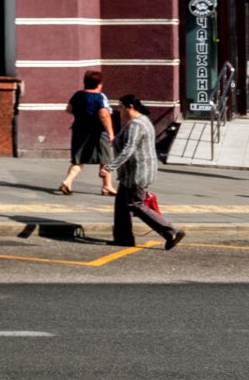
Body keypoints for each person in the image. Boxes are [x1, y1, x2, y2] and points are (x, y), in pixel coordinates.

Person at [110, 94, 184, 249]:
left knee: (136, 204)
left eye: (121, 107)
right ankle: (123, 238)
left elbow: (129, 148)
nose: (120, 110)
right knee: (121, 206)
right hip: (132, 172)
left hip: (137, 173)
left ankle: (171, 231)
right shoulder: (143, 121)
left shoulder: (136, 125)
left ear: (130, 107)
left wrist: (110, 166)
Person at [56, 71, 115, 197]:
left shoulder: (78, 95)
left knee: (78, 160)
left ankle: (67, 182)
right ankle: (107, 186)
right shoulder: (100, 97)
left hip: (79, 130)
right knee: (105, 158)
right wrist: (111, 133)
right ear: (99, 84)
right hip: (98, 132)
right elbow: (104, 115)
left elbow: (69, 109)